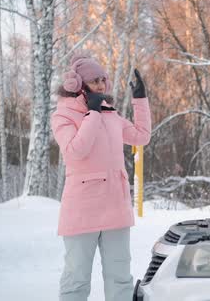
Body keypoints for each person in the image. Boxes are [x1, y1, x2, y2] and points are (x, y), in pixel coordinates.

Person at [51, 51, 151, 301]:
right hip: (81, 210)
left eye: (102, 80)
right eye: (94, 81)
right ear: (78, 85)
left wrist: (140, 100)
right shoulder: (62, 115)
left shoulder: (111, 114)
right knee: (76, 279)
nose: (101, 85)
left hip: (115, 207)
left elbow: (141, 136)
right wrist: (92, 115)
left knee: (120, 278)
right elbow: (76, 151)